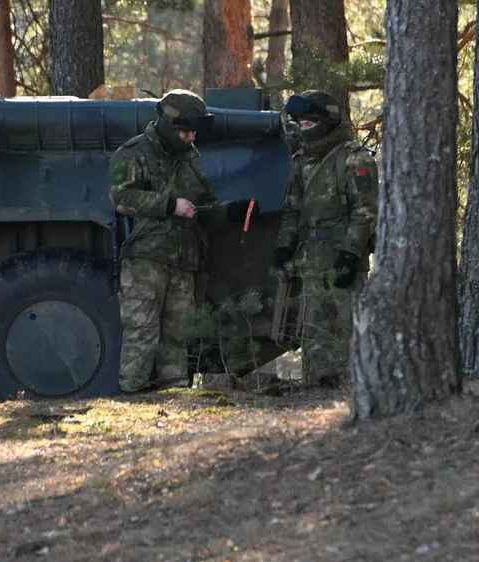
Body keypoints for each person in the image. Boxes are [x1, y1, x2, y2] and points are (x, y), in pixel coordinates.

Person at [110, 89, 258, 393]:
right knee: (142, 332)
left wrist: (230, 211)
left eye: (194, 133)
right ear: (168, 124)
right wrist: (169, 205)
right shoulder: (135, 152)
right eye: (185, 132)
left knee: (178, 336)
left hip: (184, 262)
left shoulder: (190, 161)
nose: (191, 138)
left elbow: (203, 208)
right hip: (146, 260)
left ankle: (174, 395)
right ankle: (133, 395)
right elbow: (122, 197)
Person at [272, 90, 379, 388]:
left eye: (308, 124)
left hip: (342, 254)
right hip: (310, 257)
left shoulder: (354, 158)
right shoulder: (301, 162)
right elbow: (292, 211)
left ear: (325, 122)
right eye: (301, 125)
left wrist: (350, 254)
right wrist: (284, 247)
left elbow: (366, 211)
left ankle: (360, 386)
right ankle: (323, 388)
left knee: (351, 323)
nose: (303, 130)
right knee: (315, 331)